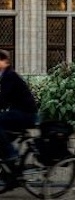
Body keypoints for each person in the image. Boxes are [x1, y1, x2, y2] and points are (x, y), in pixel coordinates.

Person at [0, 50, 37, 179]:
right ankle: (9, 172)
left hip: (24, 114)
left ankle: (11, 155)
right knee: (4, 136)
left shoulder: (9, 75)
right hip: (21, 113)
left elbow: (2, 99)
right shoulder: (7, 75)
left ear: (4, 61)